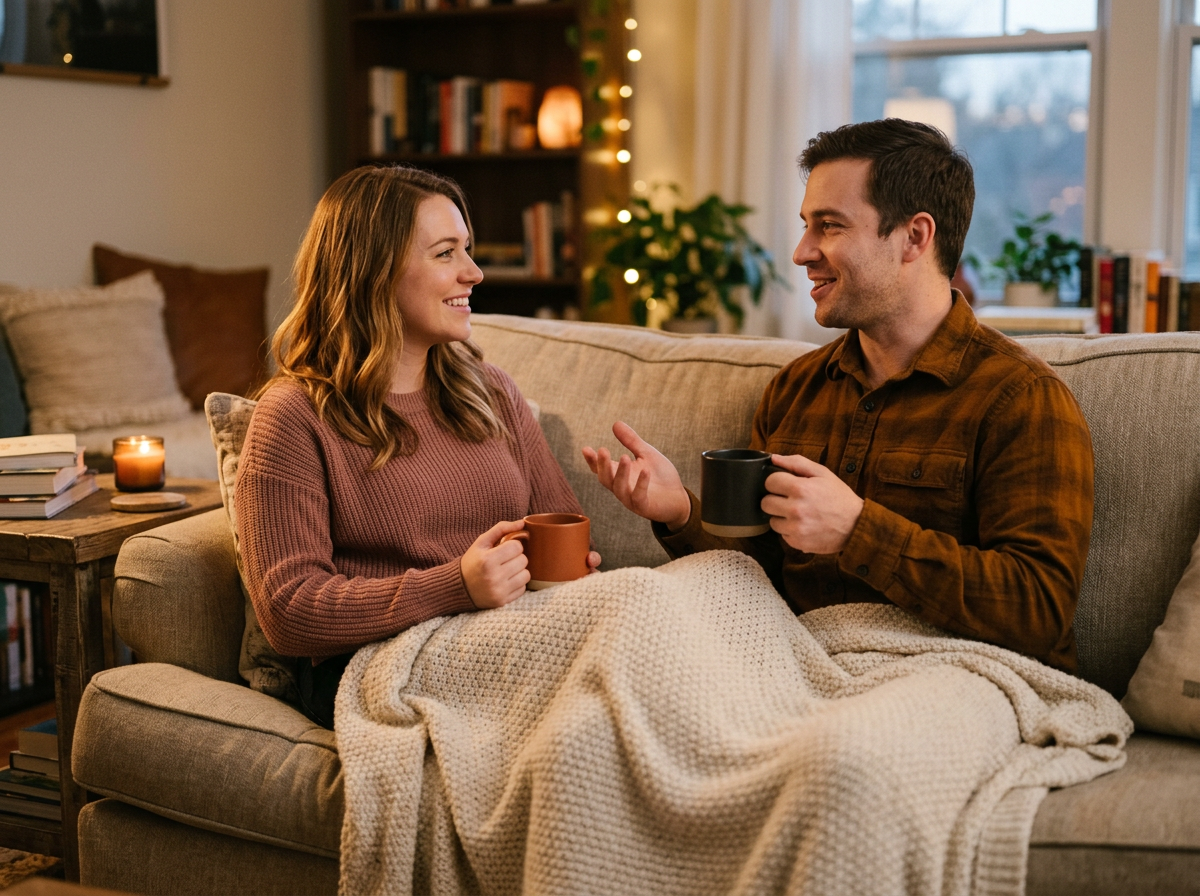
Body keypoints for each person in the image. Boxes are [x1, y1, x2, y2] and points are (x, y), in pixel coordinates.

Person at [583, 119, 1093, 672]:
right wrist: (680, 511)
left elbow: (1040, 609)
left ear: (915, 237)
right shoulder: (795, 390)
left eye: (829, 226)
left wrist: (858, 530)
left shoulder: (1021, 399)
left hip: (952, 672)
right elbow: (761, 578)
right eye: (806, 226)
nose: (802, 252)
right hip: (799, 663)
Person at [236, 165, 600, 727]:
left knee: (700, 586)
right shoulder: (293, 416)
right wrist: (457, 584)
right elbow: (289, 612)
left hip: (507, 633)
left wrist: (578, 570)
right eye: (446, 253)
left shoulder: (491, 391)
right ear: (374, 271)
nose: (474, 273)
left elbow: (563, 528)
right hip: (382, 661)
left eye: (468, 251)